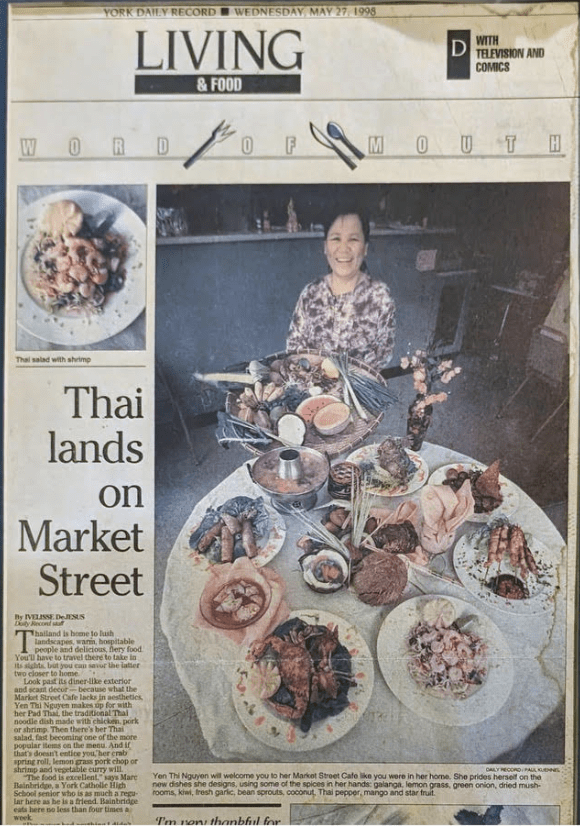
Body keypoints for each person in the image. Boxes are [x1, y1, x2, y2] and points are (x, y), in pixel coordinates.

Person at [286, 210, 396, 369]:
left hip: (359, 383)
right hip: (311, 382)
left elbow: (382, 354)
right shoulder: (311, 293)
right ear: (325, 246)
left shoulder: (380, 297)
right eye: (336, 238)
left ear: (365, 248)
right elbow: (294, 349)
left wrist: (338, 376)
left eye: (353, 239)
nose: (343, 248)